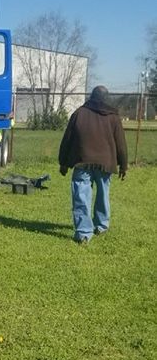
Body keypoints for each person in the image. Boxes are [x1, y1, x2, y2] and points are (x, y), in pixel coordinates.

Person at [59, 86, 128, 243]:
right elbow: (121, 144)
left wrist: (63, 163)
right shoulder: (113, 117)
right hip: (106, 163)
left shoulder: (79, 113)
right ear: (106, 98)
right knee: (103, 195)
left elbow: (67, 139)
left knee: (81, 197)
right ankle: (101, 225)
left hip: (82, 161)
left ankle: (84, 232)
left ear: (91, 97)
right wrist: (123, 165)